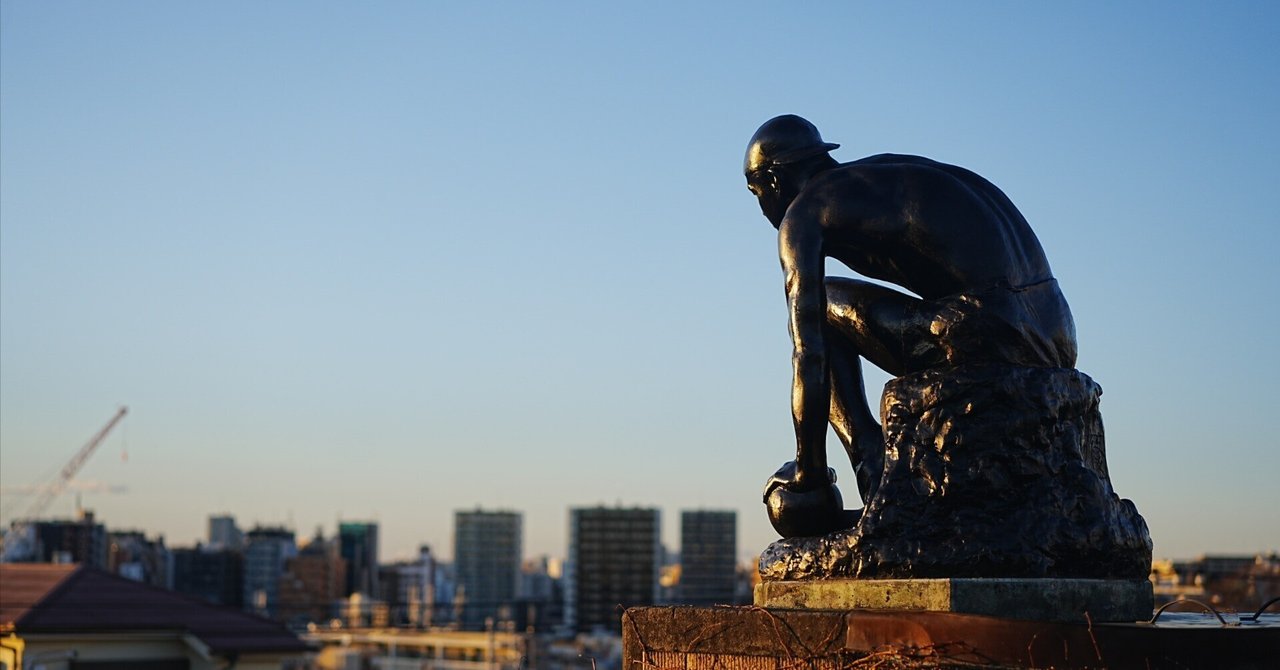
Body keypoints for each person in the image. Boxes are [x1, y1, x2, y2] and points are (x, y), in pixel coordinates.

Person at [747, 115, 1077, 517]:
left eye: (756, 192)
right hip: (1057, 329)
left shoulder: (804, 214)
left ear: (774, 181)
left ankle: (870, 466)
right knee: (829, 303)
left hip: (991, 328)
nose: (763, 209)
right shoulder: (884, 172)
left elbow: (809, 352)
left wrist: (806, 474)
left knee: (822, 303)